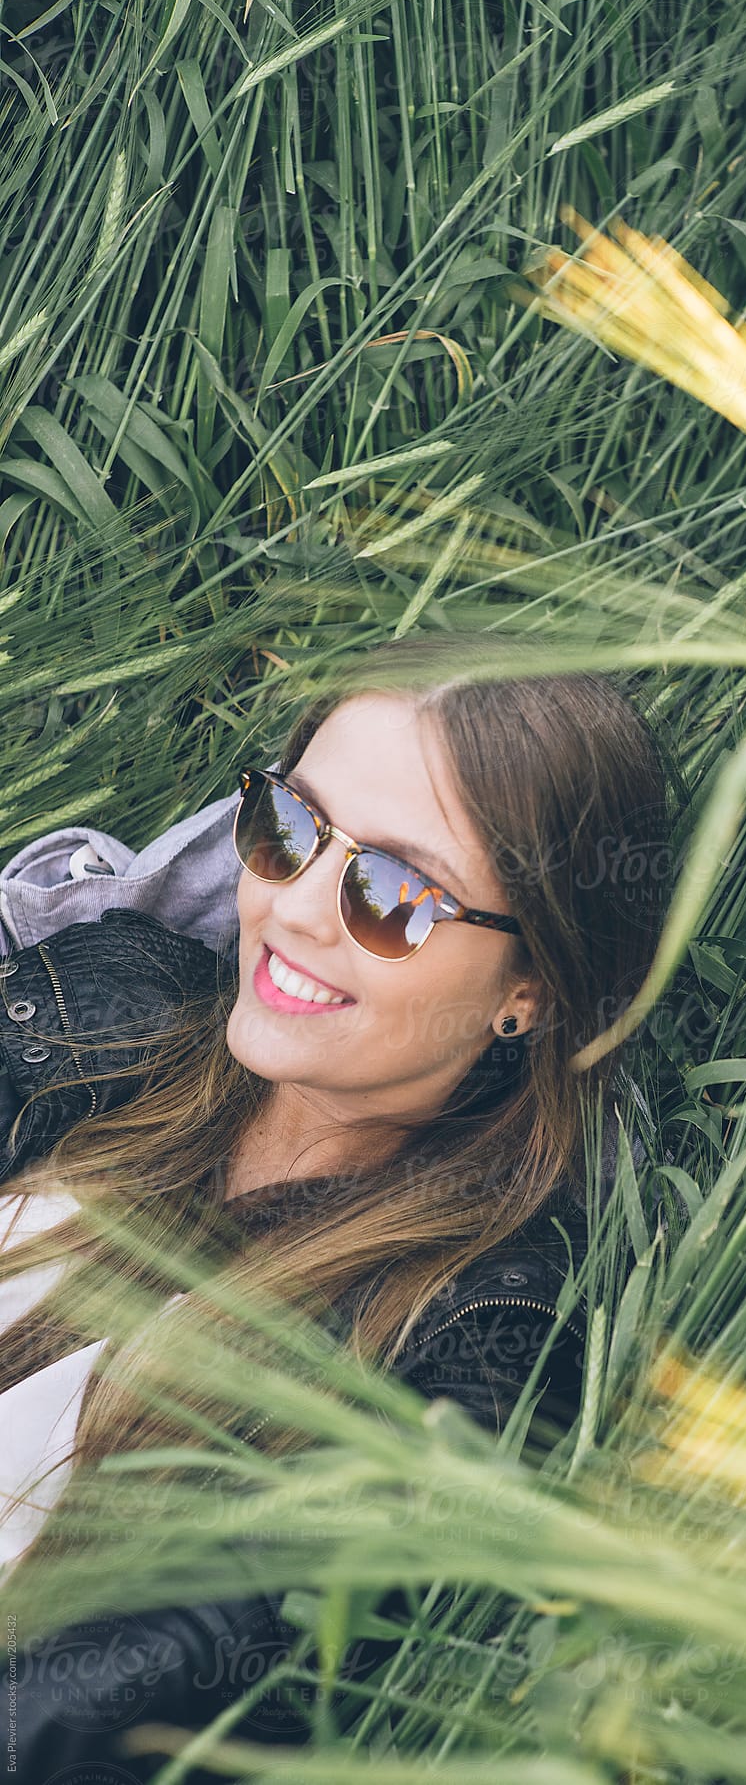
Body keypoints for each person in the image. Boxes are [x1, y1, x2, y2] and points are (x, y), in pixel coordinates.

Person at [0, 631, 675, 1782]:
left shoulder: (464, 1335)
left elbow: (130, 1703)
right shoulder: (116, 1014)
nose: (299, 907)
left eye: (395, 893)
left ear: (530, 990)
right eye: (289, 829)